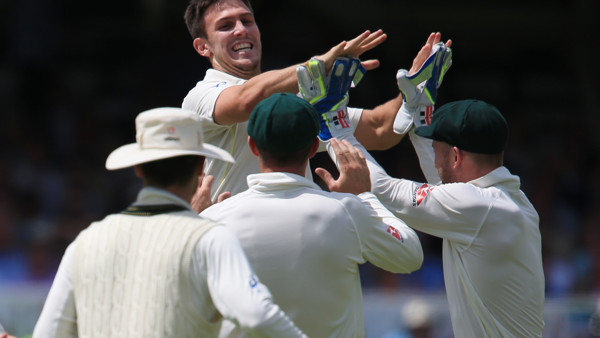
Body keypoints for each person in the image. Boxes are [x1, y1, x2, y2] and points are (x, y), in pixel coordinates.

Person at [32, 107, 307, 337]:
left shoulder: (86, 241)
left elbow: (48, 333)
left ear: (139, 167)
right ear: (201, 166)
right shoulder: (209, 238)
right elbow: (257, 315)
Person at [198, 92, 424, 337]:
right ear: (315, 146)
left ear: (253, 146)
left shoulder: (215, 219)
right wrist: (364, 197)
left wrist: (193, 225)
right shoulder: (347, 211)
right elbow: (410, 255)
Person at [318, 98, 546, 336]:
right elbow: (444, 186)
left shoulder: (478, 207)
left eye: (437, 153)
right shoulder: (512, 200)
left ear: (456, 157)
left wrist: (336, 129)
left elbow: (386, 190)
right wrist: (419, 111)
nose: (435, 162)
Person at [182, 0, 451, 199]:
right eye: (226, 26)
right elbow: (245, 100)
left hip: (293, 240)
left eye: (246, 21)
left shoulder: (298, 96)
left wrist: (413, 92)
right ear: (203, 46)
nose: (241, 30)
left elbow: (380, 130)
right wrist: (319, 64)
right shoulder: (200, 96)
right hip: (231, 243)